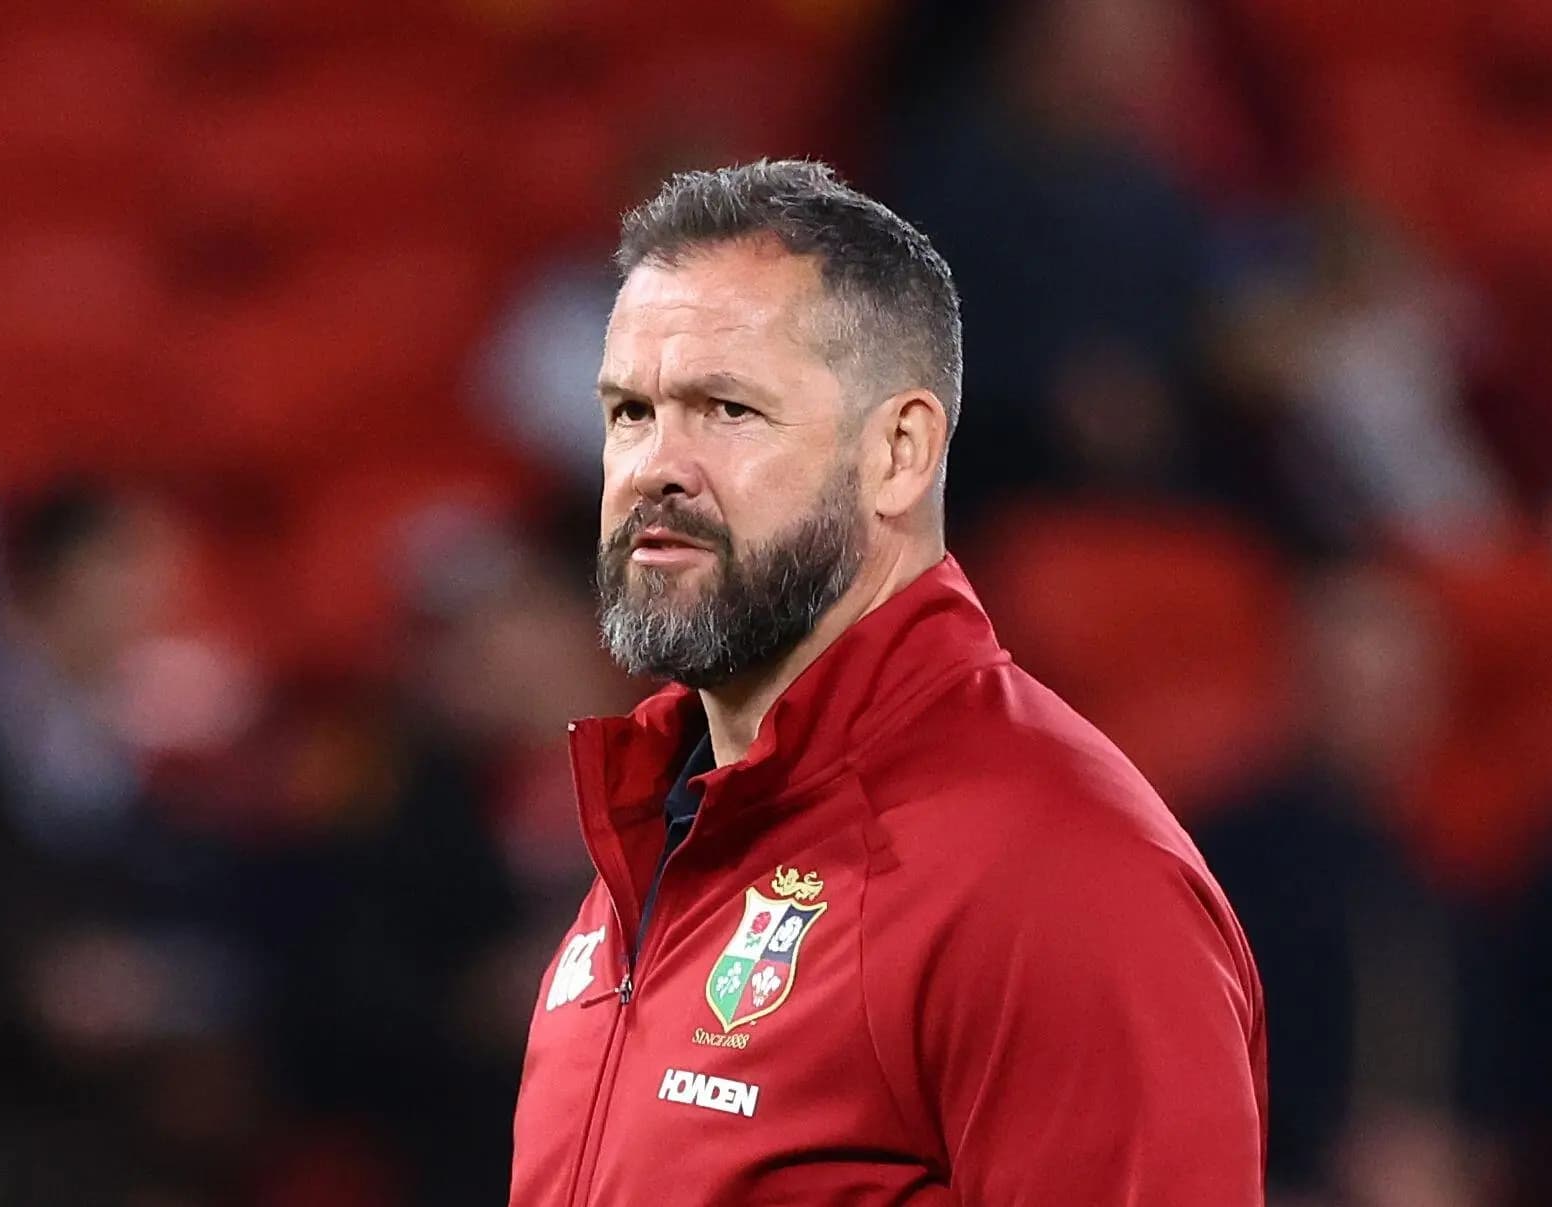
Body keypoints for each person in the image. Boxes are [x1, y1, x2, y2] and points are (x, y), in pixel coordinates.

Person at [508, 159, 1266, 1204]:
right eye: (630, 412)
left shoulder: (1057, 877)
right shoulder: (658, 837)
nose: (654, 466)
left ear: (899, 452)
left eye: (725, 409)